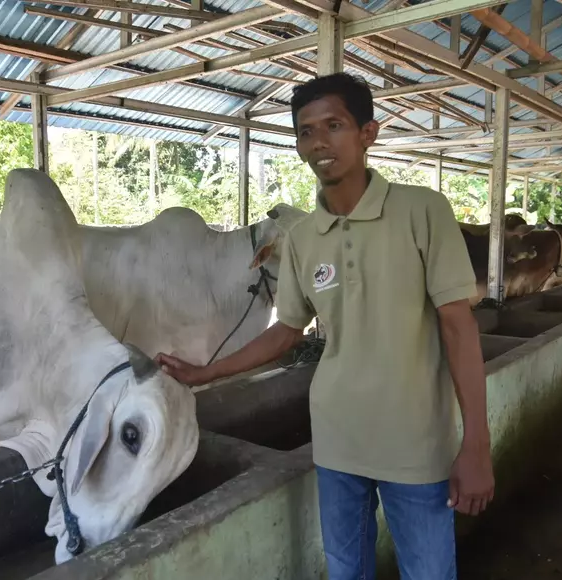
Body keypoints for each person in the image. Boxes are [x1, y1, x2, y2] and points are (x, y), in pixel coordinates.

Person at [154, 72, 494, 580]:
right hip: (337, 444)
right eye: (305, 131)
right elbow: (286, 330)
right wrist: (206, 374)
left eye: (333, 125)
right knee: (344, 571)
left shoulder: (423, 210)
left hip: (416, 446)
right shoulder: (302, 239)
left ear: (368, 133)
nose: (318, 142)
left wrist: (476, 444)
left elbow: (458, 328)